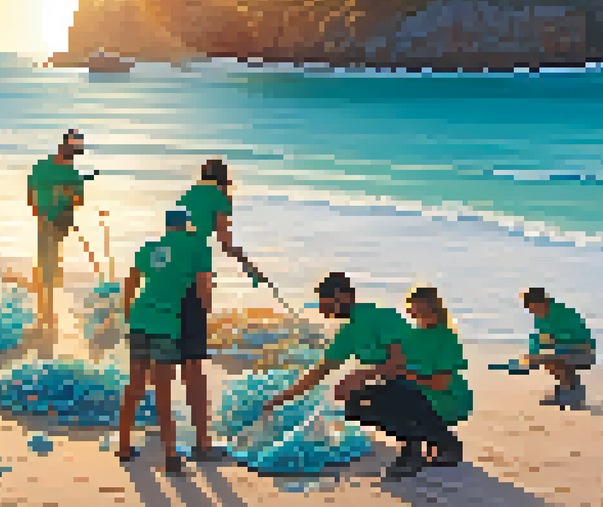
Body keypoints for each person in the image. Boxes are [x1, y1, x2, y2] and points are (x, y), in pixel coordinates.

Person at [259, 272, 430, 479]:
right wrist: (278, 400)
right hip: (403, 384)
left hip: (428, 381)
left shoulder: (380, 317)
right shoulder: (348, 332)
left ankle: (414, 447)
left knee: (373, 390)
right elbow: (318, 373)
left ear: (344, 297)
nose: (323, 310)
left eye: (326, 302)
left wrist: (358, 375)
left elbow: (400, 363)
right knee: (353, 402)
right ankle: (427, 436)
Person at [174, 159, 263, 463]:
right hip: (193, 274)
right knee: (194, 363)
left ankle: (156, 423)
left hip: (166, 273)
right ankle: (202, 443)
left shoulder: (188, 194)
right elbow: (224, 242)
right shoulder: (220, 197)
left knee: (162, 354)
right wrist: (248, 264)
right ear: (224, 180)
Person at [116, 209, 211, 475]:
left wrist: (128, 312)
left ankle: (124, 446)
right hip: (166, 322)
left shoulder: (149, 247)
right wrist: (206, 312)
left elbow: (131, 282)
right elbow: (203, 286)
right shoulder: (196, 247)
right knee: (163, 390)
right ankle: (170, 456)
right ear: (187, 226)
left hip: (140, 317)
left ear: (168, 227)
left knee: (135, 384)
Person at [400, 287, 471, 467]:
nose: (413, 312)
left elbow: (441, 382)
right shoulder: (410, 335)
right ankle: (423, 444)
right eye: (412, 307)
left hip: (447, 396)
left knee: (403, 398)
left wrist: (408, 376)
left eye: (418, 307)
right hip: (422, 390)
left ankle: (445, 444)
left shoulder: (446, 337)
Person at [26, 129, 86, 338]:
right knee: (47, 268)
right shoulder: (44, 167)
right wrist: (42, 211)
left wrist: (66, 197)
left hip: (58, 224)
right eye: (73, 149)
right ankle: (46, 318)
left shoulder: (73, 174)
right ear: (64, 146)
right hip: (47, 223)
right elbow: (31, 191)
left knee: (48, 267)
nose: (74, 154)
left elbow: (78, 201)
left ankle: (47, 316)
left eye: (76, 151)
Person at [521, 287, 596, 409]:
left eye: (533, 308)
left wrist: (556, 340)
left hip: (585, 352)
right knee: (545, 359)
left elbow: (582, 338)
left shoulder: (563, 312)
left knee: (552, 358)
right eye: (530, 309)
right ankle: (566, 391)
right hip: (563, 350)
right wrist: (532, 354)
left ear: (543, 302)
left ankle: (573, 395)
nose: (532, 312)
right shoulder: (540, 317)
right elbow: (538, 338)